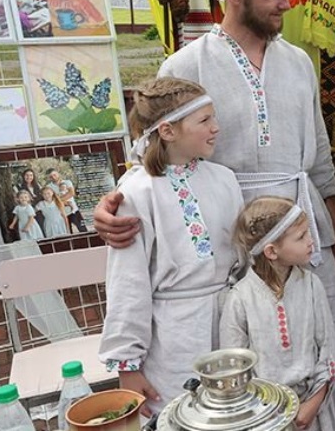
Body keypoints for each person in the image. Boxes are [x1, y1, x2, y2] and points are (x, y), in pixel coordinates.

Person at [91, 0, 335, 429]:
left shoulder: (299, 61)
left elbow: (319, 153)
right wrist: (111, 202)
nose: (287, 3)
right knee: (265, 354)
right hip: (234, 232)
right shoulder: (187, 63)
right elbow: (155, 148)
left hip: (305, 226)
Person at [98, 77, 244, 417]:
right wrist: (128, 365)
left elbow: (243, 258)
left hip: (230, 324)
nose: (216, 128)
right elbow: (128, 282)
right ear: (167, 131)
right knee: (182, 413)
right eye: (204, 120)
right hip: (173, 336)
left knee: (232, 414)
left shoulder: (224, 179)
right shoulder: (137, 193)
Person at [222, 196, 335, 431]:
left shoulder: (311, 285)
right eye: (301, 236)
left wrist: (312, 406)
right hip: (262, 417)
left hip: (312, 412)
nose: (311, 241)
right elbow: (234, 370)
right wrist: (264, 413)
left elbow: (329, 352)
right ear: (272, 251)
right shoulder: (240, 298)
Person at [45, 168, 86, 233]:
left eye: (54, 175)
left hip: (74, 211)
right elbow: (51, 200)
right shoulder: (49, 187)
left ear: (58, 174)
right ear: (49, 178)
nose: (53, 177)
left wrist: (59, 200)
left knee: (83, 229)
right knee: (68, 232)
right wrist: (64, 202)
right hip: (61, 214)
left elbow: (71, 193)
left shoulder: (67, 182)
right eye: (51, 176)